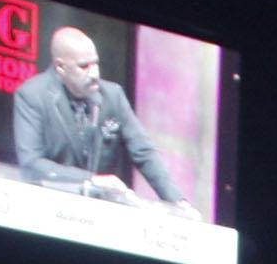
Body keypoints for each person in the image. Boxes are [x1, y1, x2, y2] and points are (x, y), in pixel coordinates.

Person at [10, 27, 201, 215]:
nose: (94, 74)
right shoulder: (32, 96)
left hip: (99, 212)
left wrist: (178, 202)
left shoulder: (113, 95)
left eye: (96, 64)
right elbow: (31, 163)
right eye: (84, 66)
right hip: (50, 207)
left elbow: (144, 152)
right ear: (61, 67)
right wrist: (91, 180)